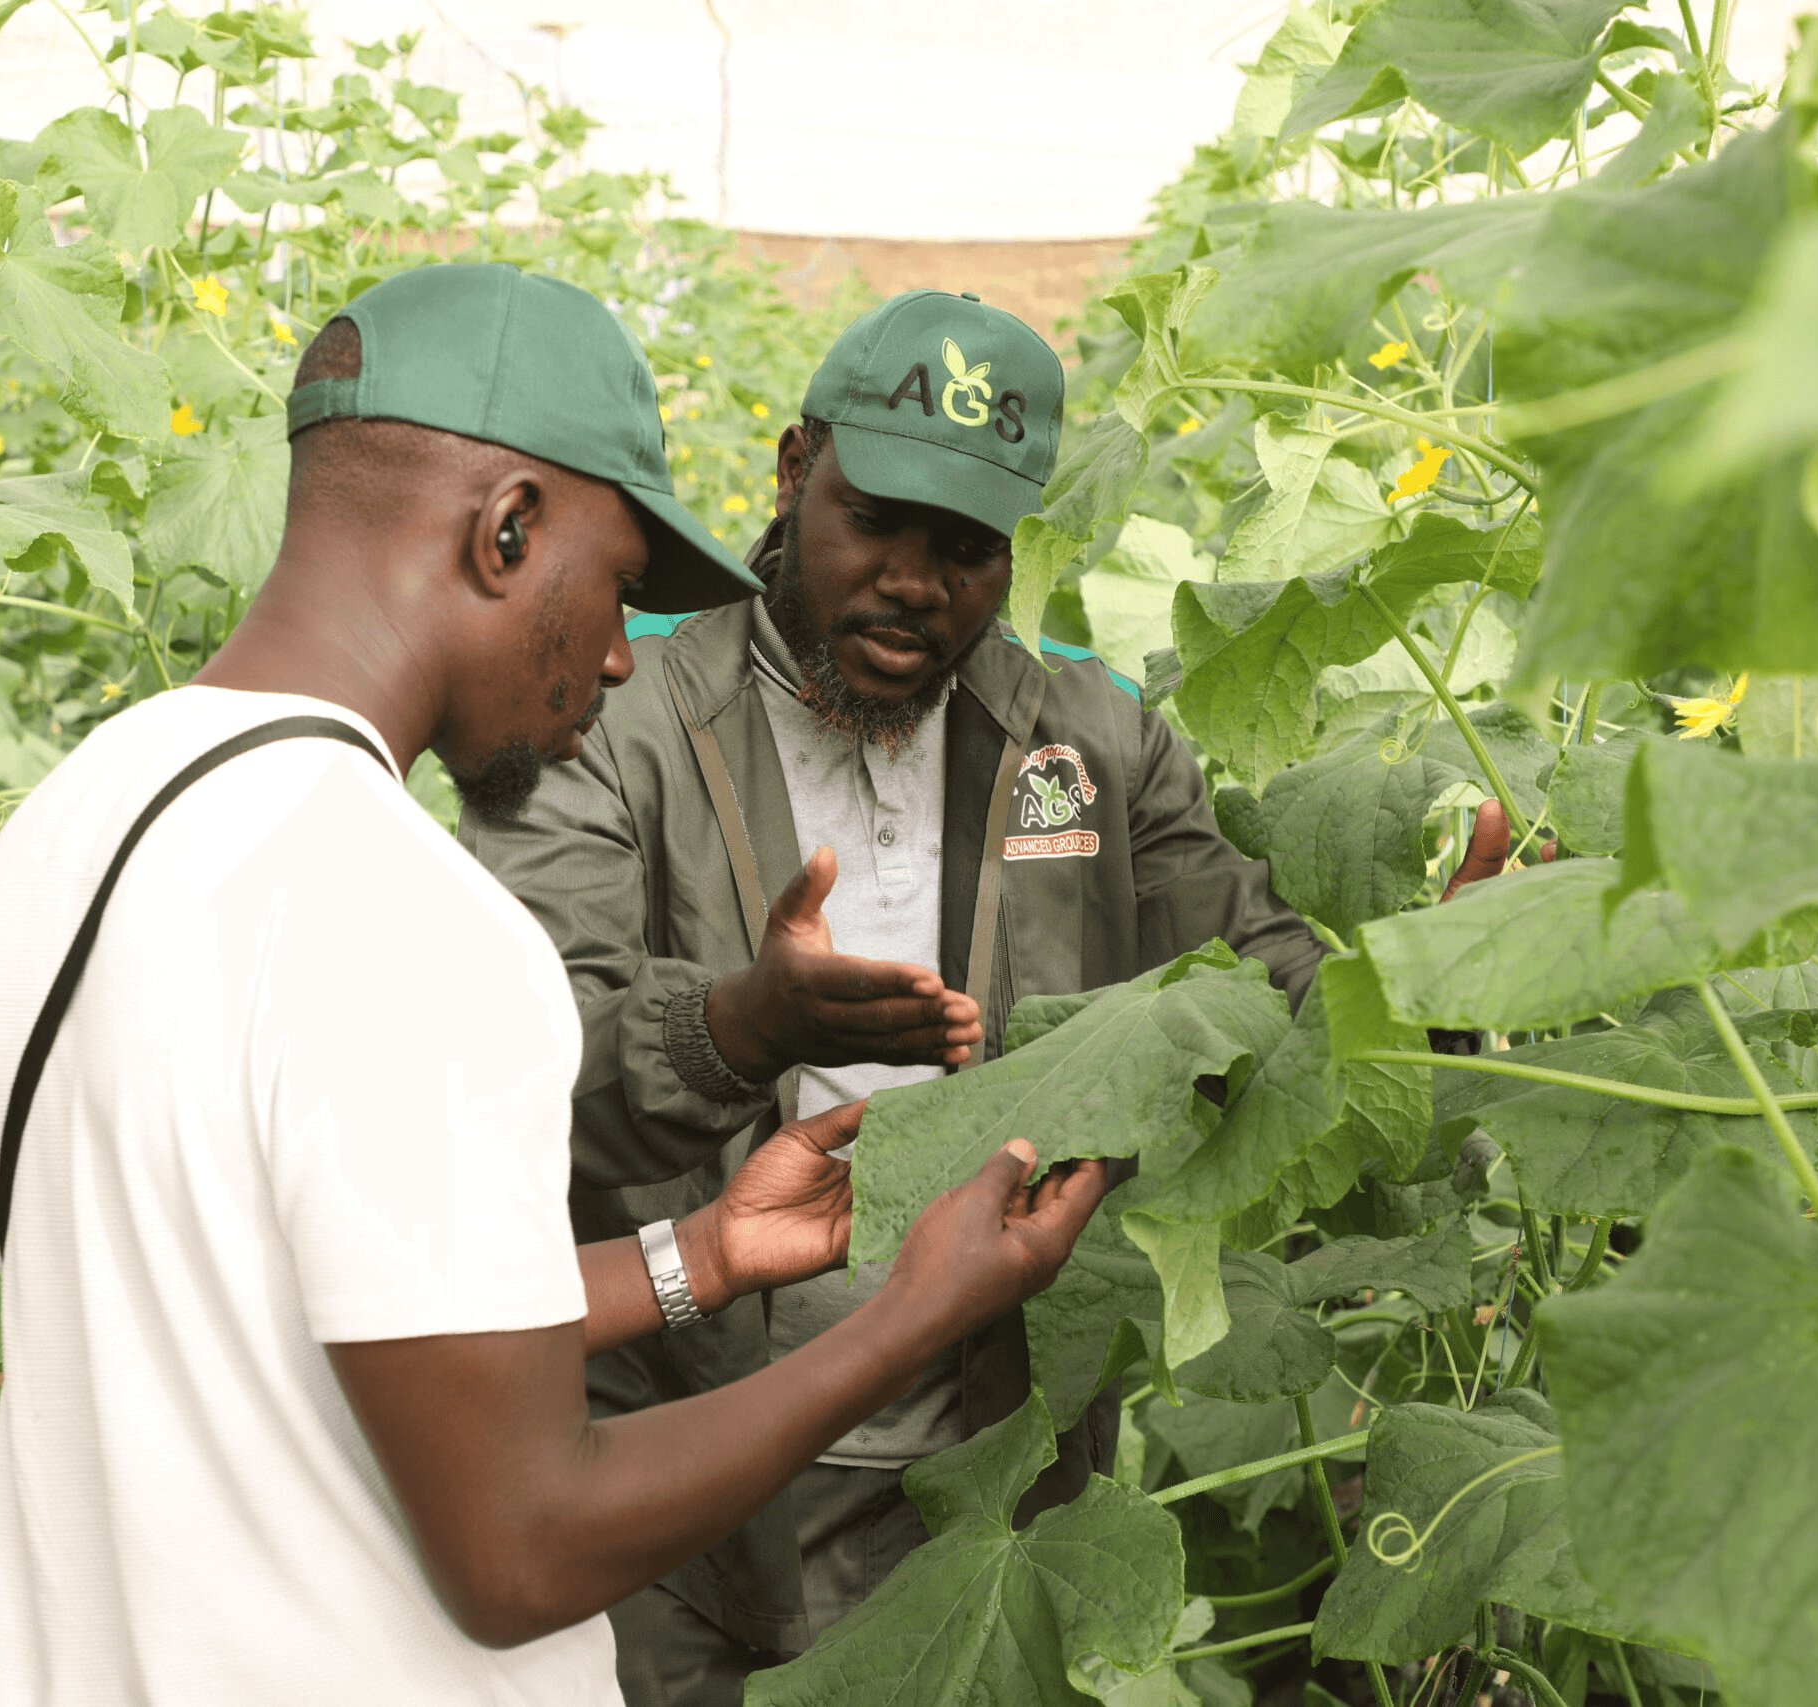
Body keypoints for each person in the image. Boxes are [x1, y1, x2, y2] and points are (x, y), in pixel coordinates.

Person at [0, 263, 1108, 1707]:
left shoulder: (77, 824)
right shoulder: (408, 918)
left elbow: (284, 1306)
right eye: (615, 587)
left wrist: (699, 1258)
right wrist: (907, 1317)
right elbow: (524, 1548)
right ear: (504, 533)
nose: (622, 656)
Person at [460, 288, 1522, 1704]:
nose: (916, 580)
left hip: (1000, 1467)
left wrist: (1447, 971)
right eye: (877, 524)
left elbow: (1260, 990)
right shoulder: (618, 721)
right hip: (683, 1475)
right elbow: (518, 1076)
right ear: (792, 473)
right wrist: (742, 1027)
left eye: (965, 548)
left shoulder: (1092, 747)